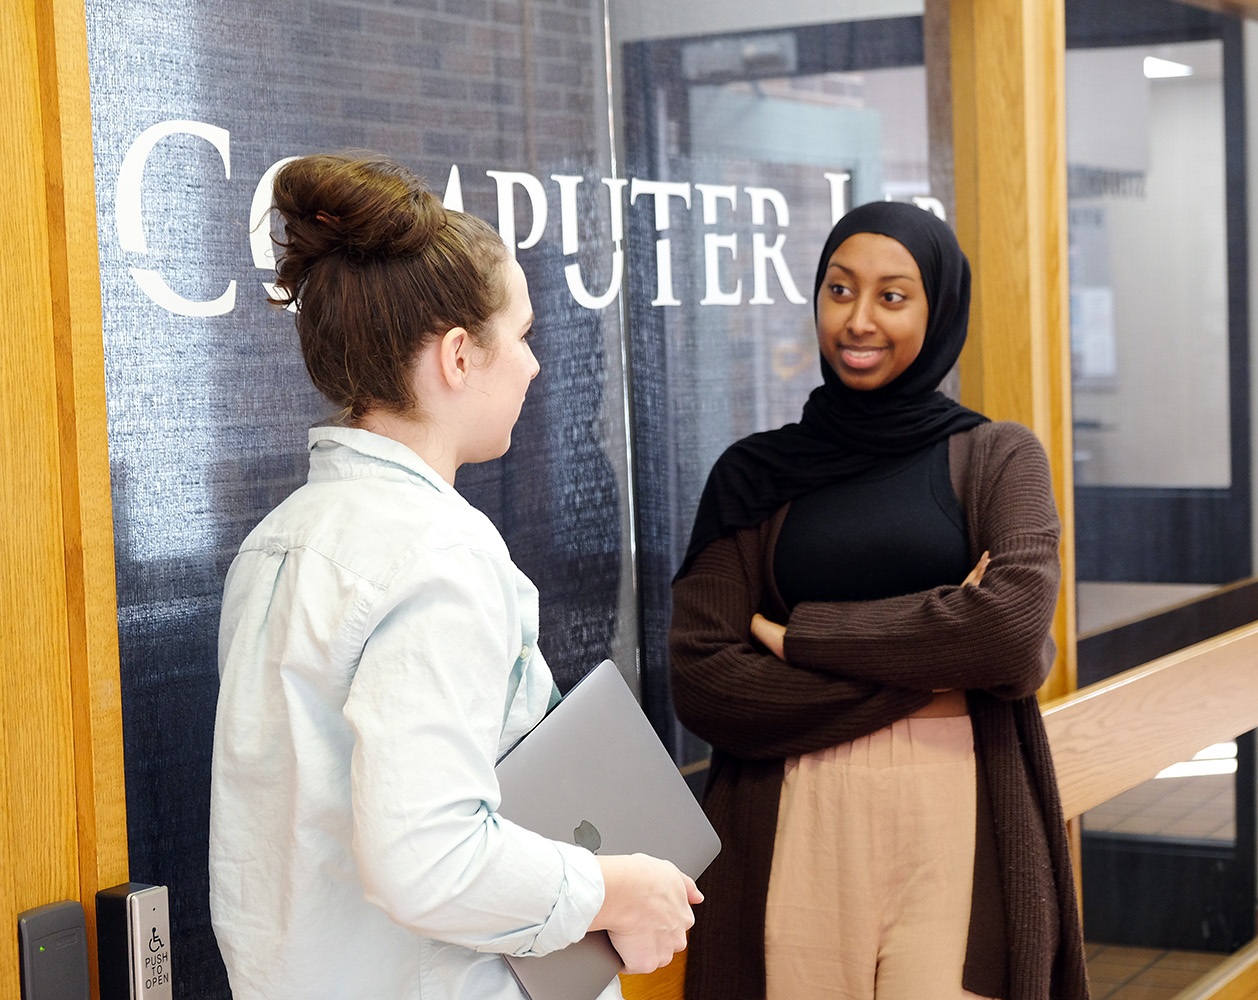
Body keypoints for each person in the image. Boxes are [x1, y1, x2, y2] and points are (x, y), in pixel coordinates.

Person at [209, 152, 699, 1000]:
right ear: (461, 357)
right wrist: (616, 889)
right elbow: (425, 856)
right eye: (524, 337)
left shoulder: (276, 544)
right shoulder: (440, 554)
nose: (536, 366)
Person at [669, 201, 1089, 1000]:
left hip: (959, 811)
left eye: (893, 296)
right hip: (794, 812)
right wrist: (938, 660)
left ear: (938, 310)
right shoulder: (753, 475)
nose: (859, 320)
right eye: (839, 290)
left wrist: (804, 638)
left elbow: (1006, 634)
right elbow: (706, 682)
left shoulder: (999, 458)